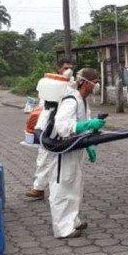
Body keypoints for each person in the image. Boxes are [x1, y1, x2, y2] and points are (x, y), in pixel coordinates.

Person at [48, 68, 105, 239]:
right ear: (84, 82)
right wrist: (86, 126)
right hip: (63, 150)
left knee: (74, 187)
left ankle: (72, 221)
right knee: (62, 188)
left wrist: (89, 144)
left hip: (75, 149)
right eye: (94, 81)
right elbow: (62, 126)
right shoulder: (71, 100)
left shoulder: (82, 100)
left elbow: (84, 122)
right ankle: (62, 229)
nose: (96, 85)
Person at [25, 57, 74, 200]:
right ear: (58, 68)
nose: (69, 71)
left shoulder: (73, 84)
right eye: (65, 68)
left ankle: (64, 187)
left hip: (65, 124)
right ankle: (38, 188)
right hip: (49, 125)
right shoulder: (50, 84)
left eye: (71, 67)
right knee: (43, 157)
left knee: (66, 159)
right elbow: (43, 105)